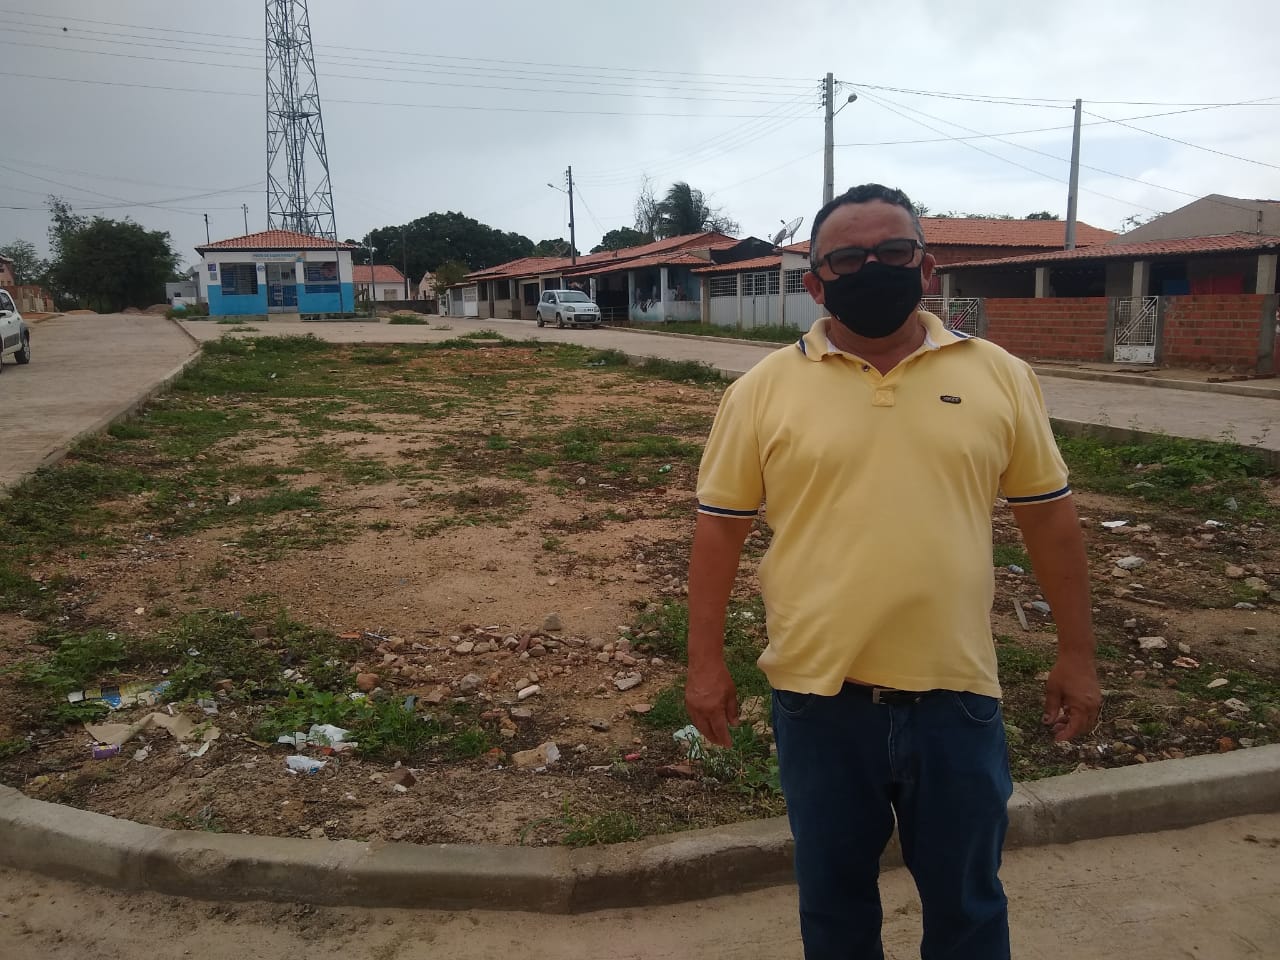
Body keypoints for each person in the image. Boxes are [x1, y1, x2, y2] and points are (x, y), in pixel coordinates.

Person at [685, 183, 1100, 959]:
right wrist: (704, 663)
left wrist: (1077, 654)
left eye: (894, 252)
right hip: (819, 703)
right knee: (835, 909)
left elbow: (1049, 520)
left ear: (927, 268)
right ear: (815, 284)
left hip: (957, 699)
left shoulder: (1000, 376)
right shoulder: (761, 391)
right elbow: (719, 533)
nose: (872, 268)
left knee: (969, 908)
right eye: (847, 259)